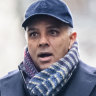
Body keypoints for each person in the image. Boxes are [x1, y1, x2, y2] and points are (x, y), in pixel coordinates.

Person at [0, 0, 96, 96]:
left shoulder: (93, 85)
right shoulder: (4, 88)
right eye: (34, 34)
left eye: (53, 32)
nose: (42, 42)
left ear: (71, 39)